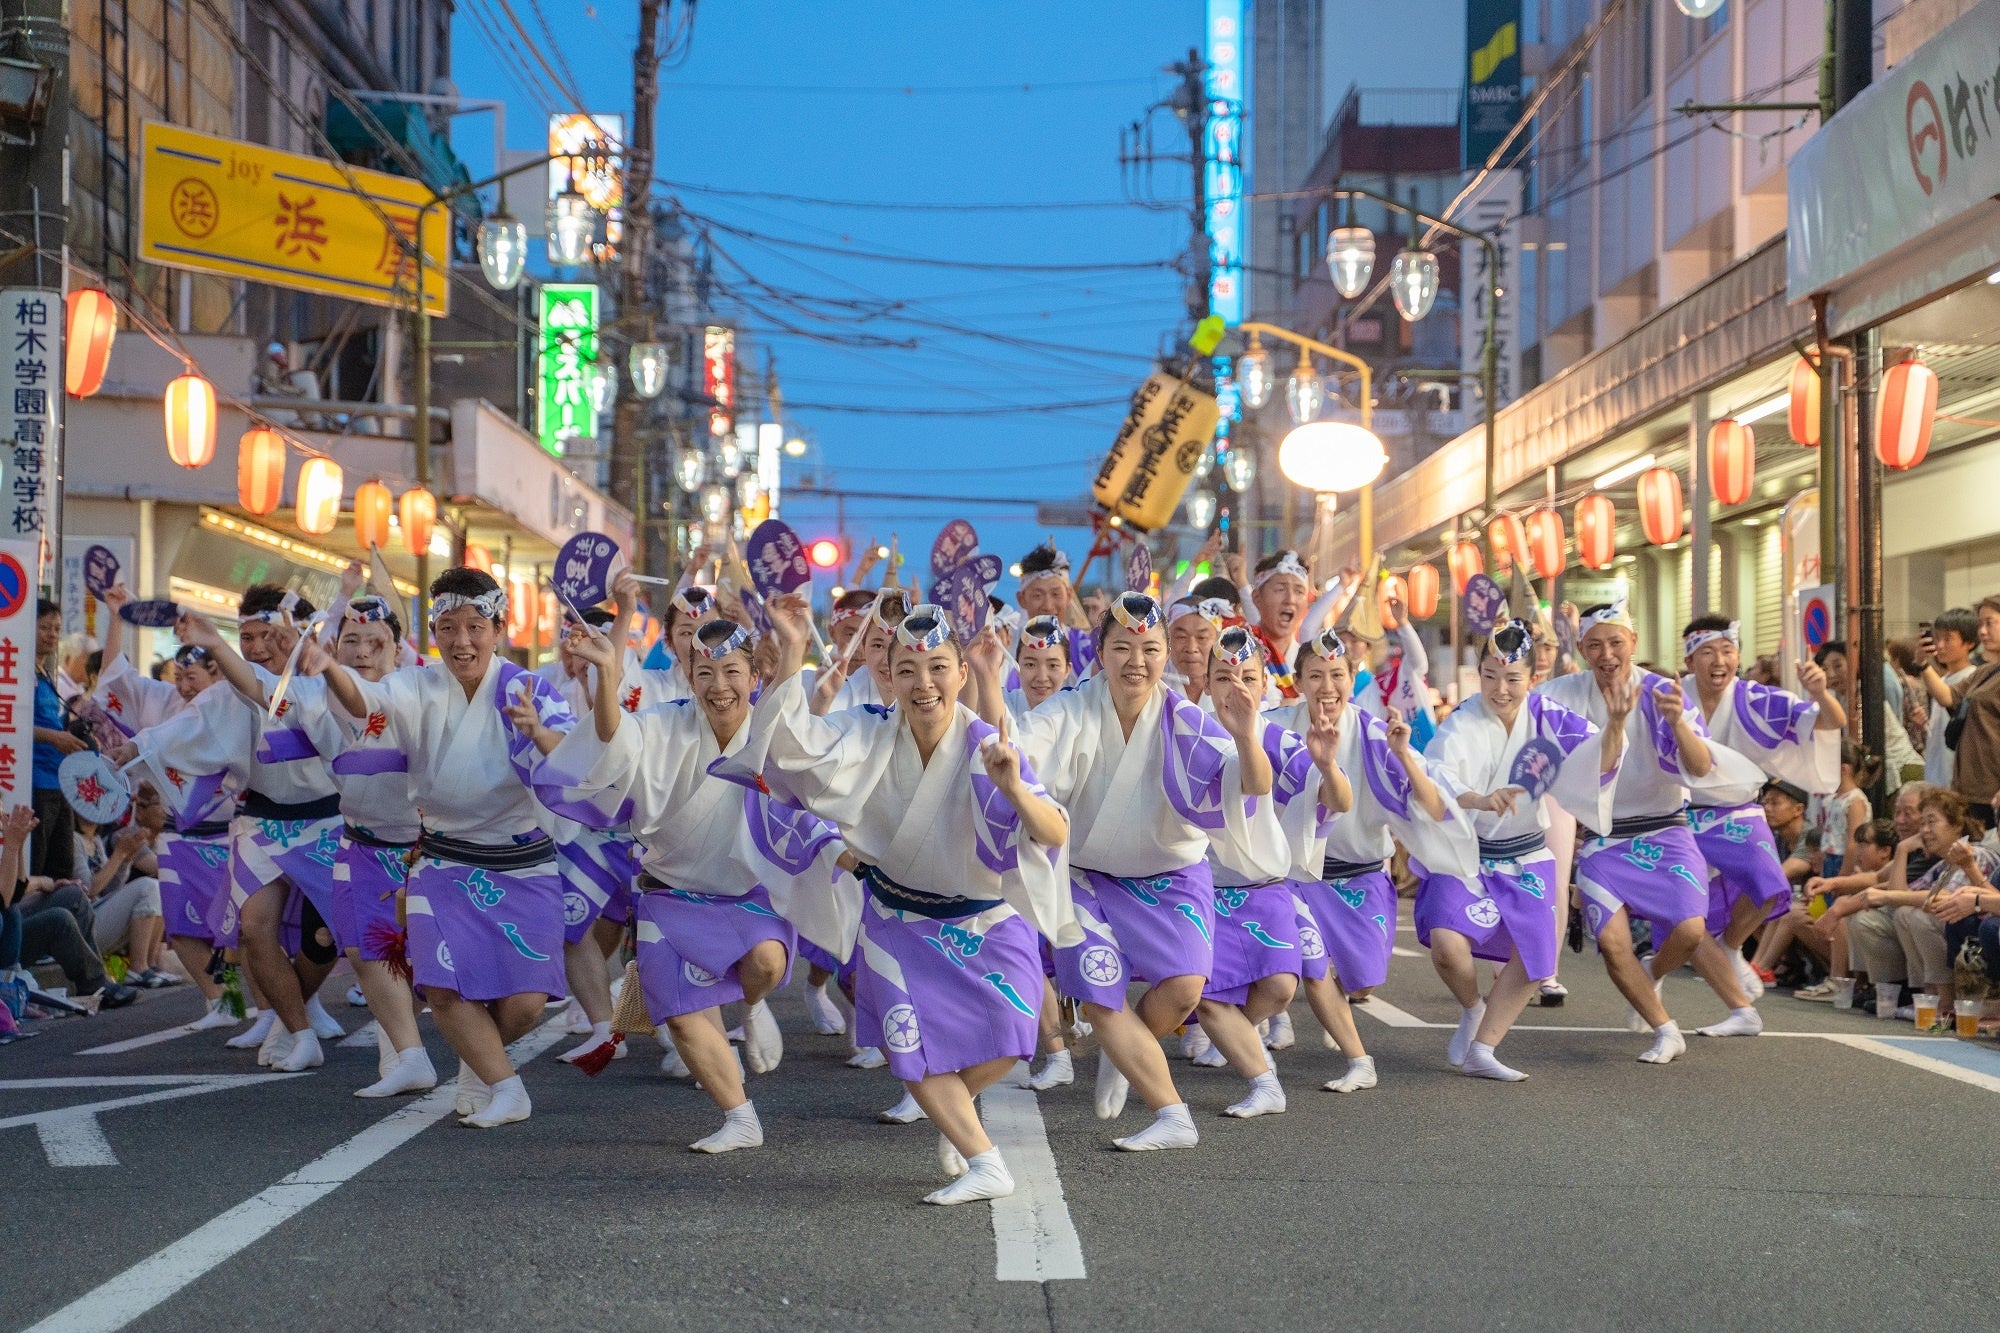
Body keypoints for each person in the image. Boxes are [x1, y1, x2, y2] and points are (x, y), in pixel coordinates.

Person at [739, 597, 1073, 1203]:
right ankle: (984, 1161)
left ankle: (954, 1113)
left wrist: (1014, 789)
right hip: (897, 918)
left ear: (961, 674)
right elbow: (787, 752)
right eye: (908, 670)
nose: (924, 684)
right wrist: (791, 651)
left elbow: (1053, 831)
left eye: (938, 667)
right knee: (909, 1048)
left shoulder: (988, 744)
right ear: (887, 677)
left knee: (1015, 1034)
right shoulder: (868, 731)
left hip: (984, 918)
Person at [537, 617, 856, 1152]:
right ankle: (740, 1119)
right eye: (705, 673)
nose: (718, 686)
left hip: (748, 891)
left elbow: (815, 779)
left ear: (754, 676)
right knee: (683, 1018)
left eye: (731, 671)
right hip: (668, 892)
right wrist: (609, 674)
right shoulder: (664, 724)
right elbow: (614, 742)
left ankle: (750, 1008)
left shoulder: (772, 732)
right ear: (689, 676)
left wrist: (796, 644)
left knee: (767, 964)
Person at [1002, 591, 1280, 1150]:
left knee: (1185, 989)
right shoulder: (1071, 709)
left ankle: (1126, 1052)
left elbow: (1252, 786)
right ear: (1099, 653)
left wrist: (1248, 735)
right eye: (1122, 648)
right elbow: (1019, 749)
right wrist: (990, 690)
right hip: (1086, 878)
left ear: (1166, 656)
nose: (1137, 661)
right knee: (1101, 991)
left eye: (1150, 649)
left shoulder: (1186, 719)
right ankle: (1172, 1114)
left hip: (1171, 874)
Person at [304, 568, 576, 1128]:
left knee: (525, 1002)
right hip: (442, 859)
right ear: (433, 633)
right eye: (448, 627)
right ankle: (508, 1089)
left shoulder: (529, 689)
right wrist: (329, 668)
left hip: (522, 862)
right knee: (442, 984)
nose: (461, 641)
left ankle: (480, 1062)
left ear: (498, 629)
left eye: (475, 626)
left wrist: (539, 733)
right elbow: (365, 702)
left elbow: (576, 758)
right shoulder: (416, 685)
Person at [1534, 600, 1756, 1064]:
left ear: (1633, 642)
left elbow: (1701, 767)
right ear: (1582, 648)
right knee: (1614, 944)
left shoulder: (1662, 692)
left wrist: (1676, 723)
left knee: (1690, 931)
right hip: (1603, 840)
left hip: (1666, 829)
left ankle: (1652, 971)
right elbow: (1525, 727)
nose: (1607, 654)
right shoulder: (1559, 695)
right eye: (1595, 645)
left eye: (1616, 642)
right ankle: (1666, 1030)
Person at [1415, 620, 1623, 1080]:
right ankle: (1472, 1007)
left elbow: (1600, 760)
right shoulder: (1464, 720)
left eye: (1512, 678)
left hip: (1527, 854)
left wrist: (1618, 724)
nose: (1500, 689)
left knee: (1535, 959)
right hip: (1468, 852)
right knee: (1448, 946)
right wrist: (1477, 798)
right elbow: (1438, 773)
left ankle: (1483, 1049)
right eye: (1490, 676)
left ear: (1531, 677)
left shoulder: (1550, 718)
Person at [170, 586, 349, 1071]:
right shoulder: (230, 688)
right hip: (261, 821)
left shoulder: (323, 680)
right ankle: (298, 1030)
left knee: (325, 935)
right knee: (254, 928)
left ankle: (294, 1014)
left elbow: (267, 691)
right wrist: (137, 749)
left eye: (267, 635)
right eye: (246, 637)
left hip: (328, 821)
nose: (257, 647)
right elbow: (186, 728)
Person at [279, 593, 437, 1098]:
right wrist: (219, 646)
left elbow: (364, 702)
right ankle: (407, 1055)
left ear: (399, 650)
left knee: (426, 959)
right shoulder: (316, 693)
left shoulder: (422, 690)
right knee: (365, 950)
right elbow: (265, 690)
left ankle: (458, 1060)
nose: (363, 650)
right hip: (359, 842)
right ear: (334, 647)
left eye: (376, 641)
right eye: (351, 640)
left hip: (428, 849)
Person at [1191, 626, 1352, 1115]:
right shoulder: (1187, 734)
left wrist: (1327, 766)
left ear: (1265, 684)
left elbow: (1339, 801)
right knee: (1205, 995)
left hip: (1263, 885)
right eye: (1224, 677)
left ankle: (1233, 1038)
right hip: (1200, 885)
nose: (1236, 688)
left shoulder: (1281, 740)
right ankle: (1260, 1078)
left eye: (1248, 677)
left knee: (1281, 987)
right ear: (1206, 683)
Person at [1679, 614, 1846, 1026]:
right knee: (1682, 920)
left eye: (1727, 650)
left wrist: (1820, 693)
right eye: (1707, 652)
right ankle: (1653, 982)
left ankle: (1732, 946)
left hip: (1738, 809)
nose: (1719, 660)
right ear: (1689, 660)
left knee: (1771, 887)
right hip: (1680, 815)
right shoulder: (1670, 696)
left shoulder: (1756, 699)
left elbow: (1832, 722)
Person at [1848, 787, 1995, 1028]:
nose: (1925, 830)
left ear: (1957, 825)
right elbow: (1901, 897)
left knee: (1916, 916)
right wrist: (1903, 849)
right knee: (1903, 913)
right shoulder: (1942, 865)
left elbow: (1943, 898)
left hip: (1976, 938)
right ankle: (1925, 995)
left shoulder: (1975, 853)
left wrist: (1886, 896)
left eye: (1932, 822)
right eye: (1923, 823)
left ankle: (1945, 1002)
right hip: (1960, 935)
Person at [0, 805, 138, 1008]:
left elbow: (17, 889)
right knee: (58, 919)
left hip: (11, 927)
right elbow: (5, 898)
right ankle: (95, 983)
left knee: (73, 894)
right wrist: (15, 849)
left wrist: (18, 845)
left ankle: (98, 982)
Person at [74, 785, 175, 986]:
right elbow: (89, 890)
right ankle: (138, 967)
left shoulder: (95, 840)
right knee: (149, 886)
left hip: (100, 918)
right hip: (81, 926)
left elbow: (111, 890)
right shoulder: (74, 839)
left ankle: (150, 966)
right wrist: (119, 854)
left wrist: (126, 860)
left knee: (161, 888)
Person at [1913, 598, 2000, 823]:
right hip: (1970, 786)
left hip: (1992, 787)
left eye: (1990, 623)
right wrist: (1922, 663)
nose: (1983, 631)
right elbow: (1947, 697)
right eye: (1980, 624)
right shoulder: (1985, 672)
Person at [31, 599, 85, 882]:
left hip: (59, 781)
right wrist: (53, 737)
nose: (52, 635)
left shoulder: (44, 673)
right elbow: (11, 726)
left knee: (62, 870)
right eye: (44, 627)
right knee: (36, 868)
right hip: (36, 782)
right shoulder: (16, 673)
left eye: (56, 628)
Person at [1915, 609, 1980, 788]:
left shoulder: (1973, 678)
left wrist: (1922, 664)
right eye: (1937, 638)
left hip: (1955, 779)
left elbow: (1946, 698)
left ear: (1969, 643)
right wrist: (1924, 726)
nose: (1940, 645)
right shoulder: (1942, 680)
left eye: (1948, 639)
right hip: (1934, 776)